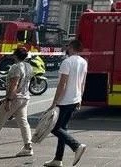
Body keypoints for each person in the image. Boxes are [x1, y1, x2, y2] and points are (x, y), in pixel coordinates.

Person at [44, 39, 88, 167]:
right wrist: (80, 98)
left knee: (53, 127)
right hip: (75, 99)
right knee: (63, 129)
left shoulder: (67, 62)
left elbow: (62, 85)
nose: (66, 48)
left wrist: (54, 103)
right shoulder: (83, 62)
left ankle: (76, 146)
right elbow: (83, 82)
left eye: (68, 46)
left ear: (72, 48)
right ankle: (58, 159)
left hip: (65, 100)